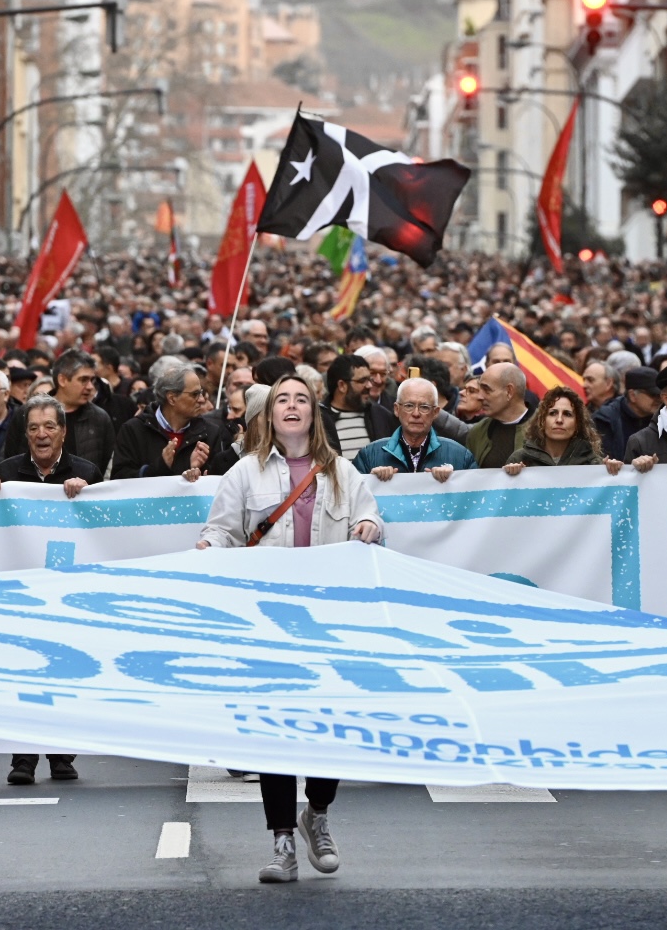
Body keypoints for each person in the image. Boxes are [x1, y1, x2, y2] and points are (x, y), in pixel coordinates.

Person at [197, 375, 383, 884]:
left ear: (313, 412)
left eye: (302, 398)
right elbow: (221, 528)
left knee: (329, 725)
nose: (293, 406)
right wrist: (211, 546)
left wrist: (369, 528)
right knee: (274, 729)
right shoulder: (243, 473)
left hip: (328, 619)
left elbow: (371, 520)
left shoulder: (343, 472)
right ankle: (282, 842)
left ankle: (316, 814)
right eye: (283, 399)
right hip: (266, 620)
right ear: (269, 414)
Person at [0, 395, 98, 786]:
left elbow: (107, 526)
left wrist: (89, 493)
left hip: (69, 593)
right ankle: (24, 758)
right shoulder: (9, 472)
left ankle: (62, 754)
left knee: (65, 671)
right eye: (33, 428)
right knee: (23, 671)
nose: (41, 434)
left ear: (63, 431)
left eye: (49, 426)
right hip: (23, 591)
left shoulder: (87, 472)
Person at [110, 363, 233, 481]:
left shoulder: (210, 432)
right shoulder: (133, 430)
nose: (201, 400)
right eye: (195, 394)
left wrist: (201, 472)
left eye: (200, 393)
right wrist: (160, 466)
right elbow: (119, 480)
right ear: (172, 398)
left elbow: (218, 483)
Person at [352, 377, 475, 482]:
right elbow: (353, 497)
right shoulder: (369, 455)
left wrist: (455, 479)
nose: (416, 414)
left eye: (424, 407)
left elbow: (477, 499)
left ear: (436, 413)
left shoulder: (460, 456)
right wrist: (371, 480)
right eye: (409, 406)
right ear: (396, 409)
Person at [503, 385, 623, 473]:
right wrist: (511, 476)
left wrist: (613, 471)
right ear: (542, 421)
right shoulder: (521, 459)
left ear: (578, 423)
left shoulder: (593, 463)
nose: (559, 420)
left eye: (567, 414)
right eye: (553, 413)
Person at [318, 354, 397, 461]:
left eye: (369, 380)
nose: (369, 385)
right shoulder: (318, 420)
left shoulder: (381, 416)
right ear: (342, 385)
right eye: (362, 381)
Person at [466, 362, 531, 469]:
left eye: (486, 390)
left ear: (509, 392)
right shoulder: (478, 433)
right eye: (479, 389)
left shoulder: (546, 428)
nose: (480, 396)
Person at [591, 366, 658, 461]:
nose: (658, 399)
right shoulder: (605, 420)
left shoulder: (663, 417)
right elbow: (601, 459)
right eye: (653, 395)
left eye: (660, 394)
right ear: (632, 395)